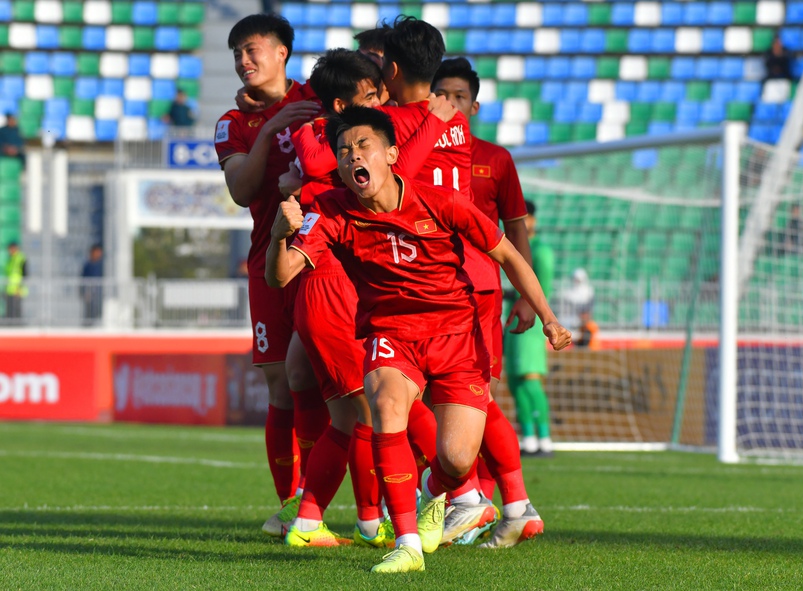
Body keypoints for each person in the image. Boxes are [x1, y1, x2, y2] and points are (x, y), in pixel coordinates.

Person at [265, 106, 571, 573]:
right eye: (343, 152)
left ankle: (433, 493)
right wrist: (278, 237)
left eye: (362, 146)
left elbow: (507, 253)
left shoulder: (439, 201)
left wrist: (548, 318)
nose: (352, 158)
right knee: (385, 404)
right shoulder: (327, 211)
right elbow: (281, 276)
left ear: (391, 154)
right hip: (391, 335)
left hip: (454, 335)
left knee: (455, 457)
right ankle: (406, 544)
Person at [277, 48, 460, 549]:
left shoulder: (327, 149)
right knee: (385, 405)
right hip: (332, 288)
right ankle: (460, 494)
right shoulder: (337, 150)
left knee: (350, 415)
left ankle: (316, 520)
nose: (380, 102)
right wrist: (432, 123)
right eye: (370, 94)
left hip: (324, 289)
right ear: (342, 109)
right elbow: (405, 157)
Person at [214, 13, 328, 538]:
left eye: (253, 49)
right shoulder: (231, 124)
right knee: (282, 385)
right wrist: (273, 134)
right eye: (237, 52)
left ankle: (374, 506)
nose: (243, 61)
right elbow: (241, 190)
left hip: (326, 260)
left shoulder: (320, 97)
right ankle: (293, 504)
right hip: (269, 263)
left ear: (282, 51)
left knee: (346, 385)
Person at [431, 56, 546, 548]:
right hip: (425, 287)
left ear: (473, 105)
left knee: (467, 395)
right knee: (449, 399)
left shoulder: (495, 158)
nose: (451, 103)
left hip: (475, 290)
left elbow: (516, 228)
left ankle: (471, 499)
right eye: (444, 94)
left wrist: (525, 294)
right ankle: (501, 503)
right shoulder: (412, 151)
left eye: (460, 96)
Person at [503, 201, 555, 457]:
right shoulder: (512, 246)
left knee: (530, 380)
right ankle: (529, 437)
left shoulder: (541, 251)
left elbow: (541, 290)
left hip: (531, 323)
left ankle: (544, 437)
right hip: (512, 318)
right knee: (514, 383)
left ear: (533, 220)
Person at [561, 268, 599, 348]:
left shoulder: (589, 292)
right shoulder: (568, 294)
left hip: (583, 325)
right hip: (570, 323)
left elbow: (588, 311)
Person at [80, 244, 104, 326]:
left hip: (99, 294)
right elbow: (83, 280)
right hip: (90, 294)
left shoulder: (102, 265)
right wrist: (84, 292)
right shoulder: (87, 266)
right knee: (89, 313)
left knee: (98, 313)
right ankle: (88, 328)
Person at [4, 241, 26, 323]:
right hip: (9, 288)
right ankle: (10, 324)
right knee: (9, 308)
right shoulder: (10, 259)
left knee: (16, 308)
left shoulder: (21, 258)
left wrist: (20, 288)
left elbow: (25, 275)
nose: (9, 251)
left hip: (17, 289)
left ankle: (17, 324)